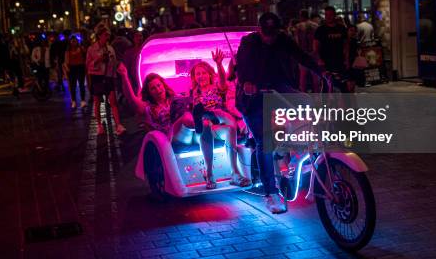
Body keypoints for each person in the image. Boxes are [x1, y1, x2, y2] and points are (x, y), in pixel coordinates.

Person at [235, 12, 323, 214]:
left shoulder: (283, 39)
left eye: (273, 33)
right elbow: (242, 68)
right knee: (264, 141)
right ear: (259, 30)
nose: (269, 37)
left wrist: (320, 71)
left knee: (307, 106)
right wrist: (248, 83)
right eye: (266, 33)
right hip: (252, 97)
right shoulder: (249, 43)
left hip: (277, 86)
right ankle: (271, 194)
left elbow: (301, 55)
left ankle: (298, 154)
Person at [190, 49, 251, 190]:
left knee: (228, 128)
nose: (201, 76)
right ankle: (210, 173)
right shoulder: (195, 93)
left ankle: (235, 173)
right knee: (204, 121)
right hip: (205, 127)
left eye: (203, 73)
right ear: (194, 77)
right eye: (197, 74)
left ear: (210, 75)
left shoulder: (217, 86)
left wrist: (218, 64)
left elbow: (223, 81)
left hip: (220, 122)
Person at [117, 63, 196, 141]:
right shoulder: (148, 107)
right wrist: (125, 76)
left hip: (187, 134)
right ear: (149, 92)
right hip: (167, 139)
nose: (158, 90)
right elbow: (131, 99)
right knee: (187, 116)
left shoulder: (175, 99)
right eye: (153, 88)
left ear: (163, 85)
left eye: (159, 85)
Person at [86, 22, 125, 136]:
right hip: (97, 77)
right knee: (97, 102)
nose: (107, 37)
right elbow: (88, 65)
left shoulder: (110, 48)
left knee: (113, 101)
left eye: (108, 35)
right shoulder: (91, 49)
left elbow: (114, 63)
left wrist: (115, 70)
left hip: (108, 76)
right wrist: (98, 60)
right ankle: (99, 125)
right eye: (105, 35)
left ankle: (118, 125)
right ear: (99, 35)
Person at [314, 6, 350, 92]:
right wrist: (319, 59)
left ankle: (347, 104)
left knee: (343, 85)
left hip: (339, 60)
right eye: (326, 15)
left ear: (334, 15)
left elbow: (346, 45)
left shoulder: (341, 28)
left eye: (330, 15)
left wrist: (347, 59)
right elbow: (315, 46)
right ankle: (325, 105)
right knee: (326, 84)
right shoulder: (320, 30)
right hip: (325, 62)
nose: (328, 17)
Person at [295, 10, 320, 92]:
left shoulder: (298, 26)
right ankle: (317, 96)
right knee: (315, 76)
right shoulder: (316, 26)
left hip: (303, 53)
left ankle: (304, 96)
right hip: (314, 53)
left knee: (303, 77)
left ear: (301, 16)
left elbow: (297, 41)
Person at [64, 36, 87, 109]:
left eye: (75, 41)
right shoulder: (68, 51)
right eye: (72, 41)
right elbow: (66, 61)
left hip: (80, 67)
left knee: (81, 85)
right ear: (70, 42)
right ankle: (73, 101)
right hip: (72, 69)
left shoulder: (81, 49)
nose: (74, 42)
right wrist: (67, 69)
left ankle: (83, 101)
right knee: (72, 86)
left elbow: (85, 56)